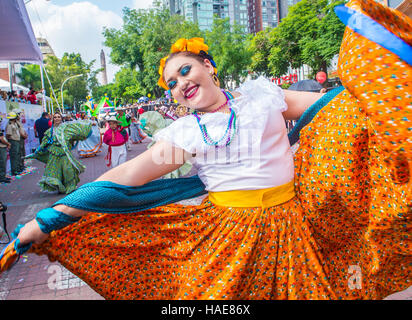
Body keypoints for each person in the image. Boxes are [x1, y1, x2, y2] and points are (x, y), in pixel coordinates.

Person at [2, 0, 410, 300]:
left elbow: (331, 109)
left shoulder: (262, 96)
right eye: (171, 82)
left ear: (208, 66)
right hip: (228, 240)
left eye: (185, 70)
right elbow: (122, 178)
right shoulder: (186, 135)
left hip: (294, 227)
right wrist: (50, 219)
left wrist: (388, 91)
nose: (180, 82)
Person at [26, 112, 92, 194]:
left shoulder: (67, 128)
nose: (57, 118)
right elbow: (44, 143)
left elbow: (73, 137)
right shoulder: (49, 131)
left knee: (68, 170)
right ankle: (61, 187)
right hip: (54, 153)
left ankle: (70, 186)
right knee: (56, 171)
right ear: (52, 119)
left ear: (61, 119)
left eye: (58, 117)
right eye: (55, 117)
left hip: (64, 152)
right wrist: (37, 151)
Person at [0, 117, 11, 183]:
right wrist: (8, 144)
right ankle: (2, 177)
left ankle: (2, 176)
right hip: (1, 147)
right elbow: (1, 139)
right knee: (2, 162)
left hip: (2, 146)